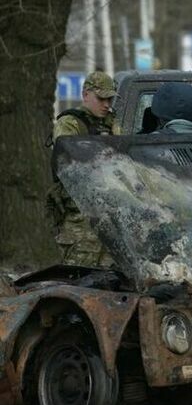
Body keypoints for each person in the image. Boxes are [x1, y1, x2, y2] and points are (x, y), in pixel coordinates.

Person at [48, 71, 120, 267]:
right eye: (101, 98)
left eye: (110, 99)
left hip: (108, 213)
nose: (107, 104)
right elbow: (69, 162)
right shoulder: (70, 123)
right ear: (86, 95)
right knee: (78, 274)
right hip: (79, 214)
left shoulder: (112, 123)